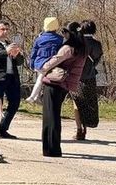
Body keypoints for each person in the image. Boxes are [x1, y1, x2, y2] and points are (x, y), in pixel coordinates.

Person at [37, 22, 87, 158]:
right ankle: (53, 148)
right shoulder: (82, 49)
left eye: (64, 32)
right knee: (55, 114)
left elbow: (51, 62)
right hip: (65, 85)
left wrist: (41, 66)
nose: (62, 35)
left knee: (50, 116)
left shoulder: (67, 48)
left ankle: (51, 148)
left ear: (69, 33)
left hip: (55, 83)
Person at [71, 20, 102, 140]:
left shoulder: (78, 43)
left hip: (77, 76)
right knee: (89, 102)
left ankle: (80, 129)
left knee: (77, 103)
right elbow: (97, 60)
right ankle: (86, 126)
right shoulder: (97, 44)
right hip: (90, 76)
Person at [26, 17, 63, 103]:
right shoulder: (60, 39)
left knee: (40, 79)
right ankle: (34, 97)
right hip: (53, 63)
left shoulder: (39, 39)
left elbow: (34, 52)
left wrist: (32, 64)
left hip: (40, 63)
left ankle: (35, 97)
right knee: (42, 79)